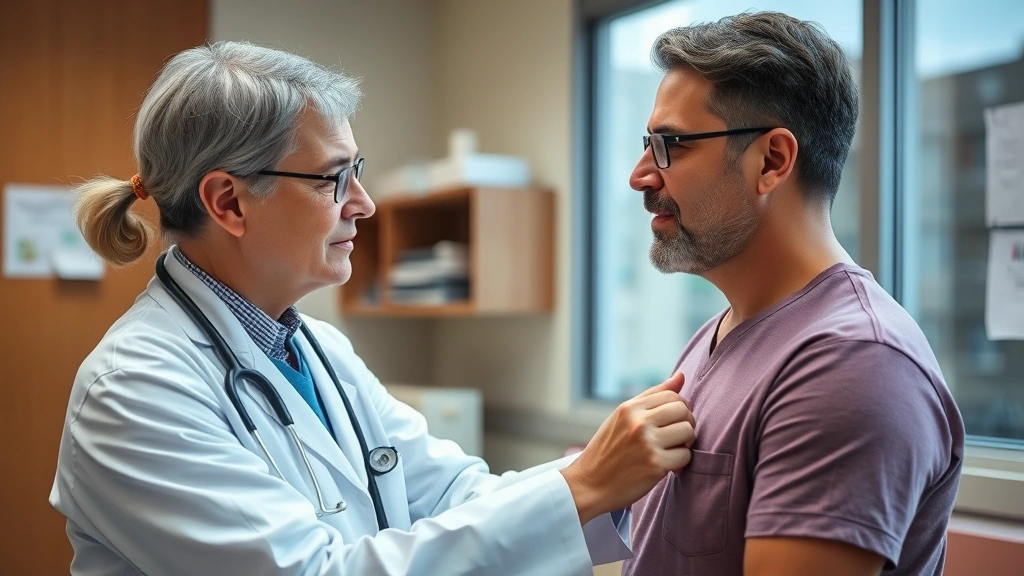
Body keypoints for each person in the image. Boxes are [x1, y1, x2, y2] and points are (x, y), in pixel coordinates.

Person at [49, 41, 698, 576]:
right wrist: (582, 486)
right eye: (334, 178)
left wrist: (609, 477)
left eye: (356, 170)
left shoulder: (319, 350)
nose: (363, 203)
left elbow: (453, 495)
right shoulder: (134, 389)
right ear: (228, 203)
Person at [622, 11, 964, 576]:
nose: (641, 175)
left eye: (670, 145)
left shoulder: (852, 364)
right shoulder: (722, 332)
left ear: (772, 161)